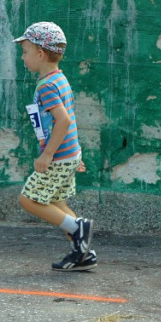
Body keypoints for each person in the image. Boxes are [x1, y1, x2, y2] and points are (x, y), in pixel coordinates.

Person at [14, 22, 95, 272]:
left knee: (28, 200)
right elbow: (69, 119)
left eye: (25, 51)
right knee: (57, 203)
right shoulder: (59, 79)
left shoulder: (47, 86)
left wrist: (48, 154)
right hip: (68, 154)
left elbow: (64, 119)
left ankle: (77, 229)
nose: (22, 57)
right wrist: (75, 155)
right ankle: (83, 254)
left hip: (58, 156)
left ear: (40, 54)